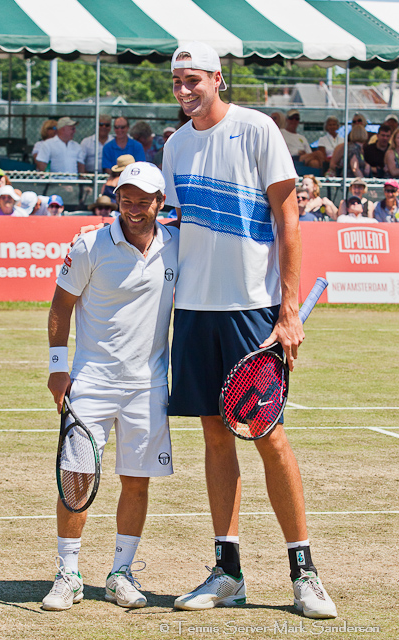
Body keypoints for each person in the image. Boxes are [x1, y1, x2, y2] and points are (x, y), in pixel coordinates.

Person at [162, 41, 336, 619]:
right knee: (215, 439)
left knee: (270, 438)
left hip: (251, 313)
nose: (185, 90)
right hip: (192, 311)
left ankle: (303, 571)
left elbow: (289, 224)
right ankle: (227, 571)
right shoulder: (174, 145)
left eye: (194, 80)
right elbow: (177, 229)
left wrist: (288, 312)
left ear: (217, 78)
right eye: (177, 82)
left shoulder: (258, 129)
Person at [42, 162, 179, 611]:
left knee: (136, 483)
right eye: (126, 198)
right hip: (91, 384)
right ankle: (68, 573)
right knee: (75, 480)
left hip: (149, 387)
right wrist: (58, 369)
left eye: (143, 200)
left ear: (160, 202)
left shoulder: (177, 248)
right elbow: (61, 306)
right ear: (116, 197)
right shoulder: (89, 244)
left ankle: (120, 572)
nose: (133, 208)